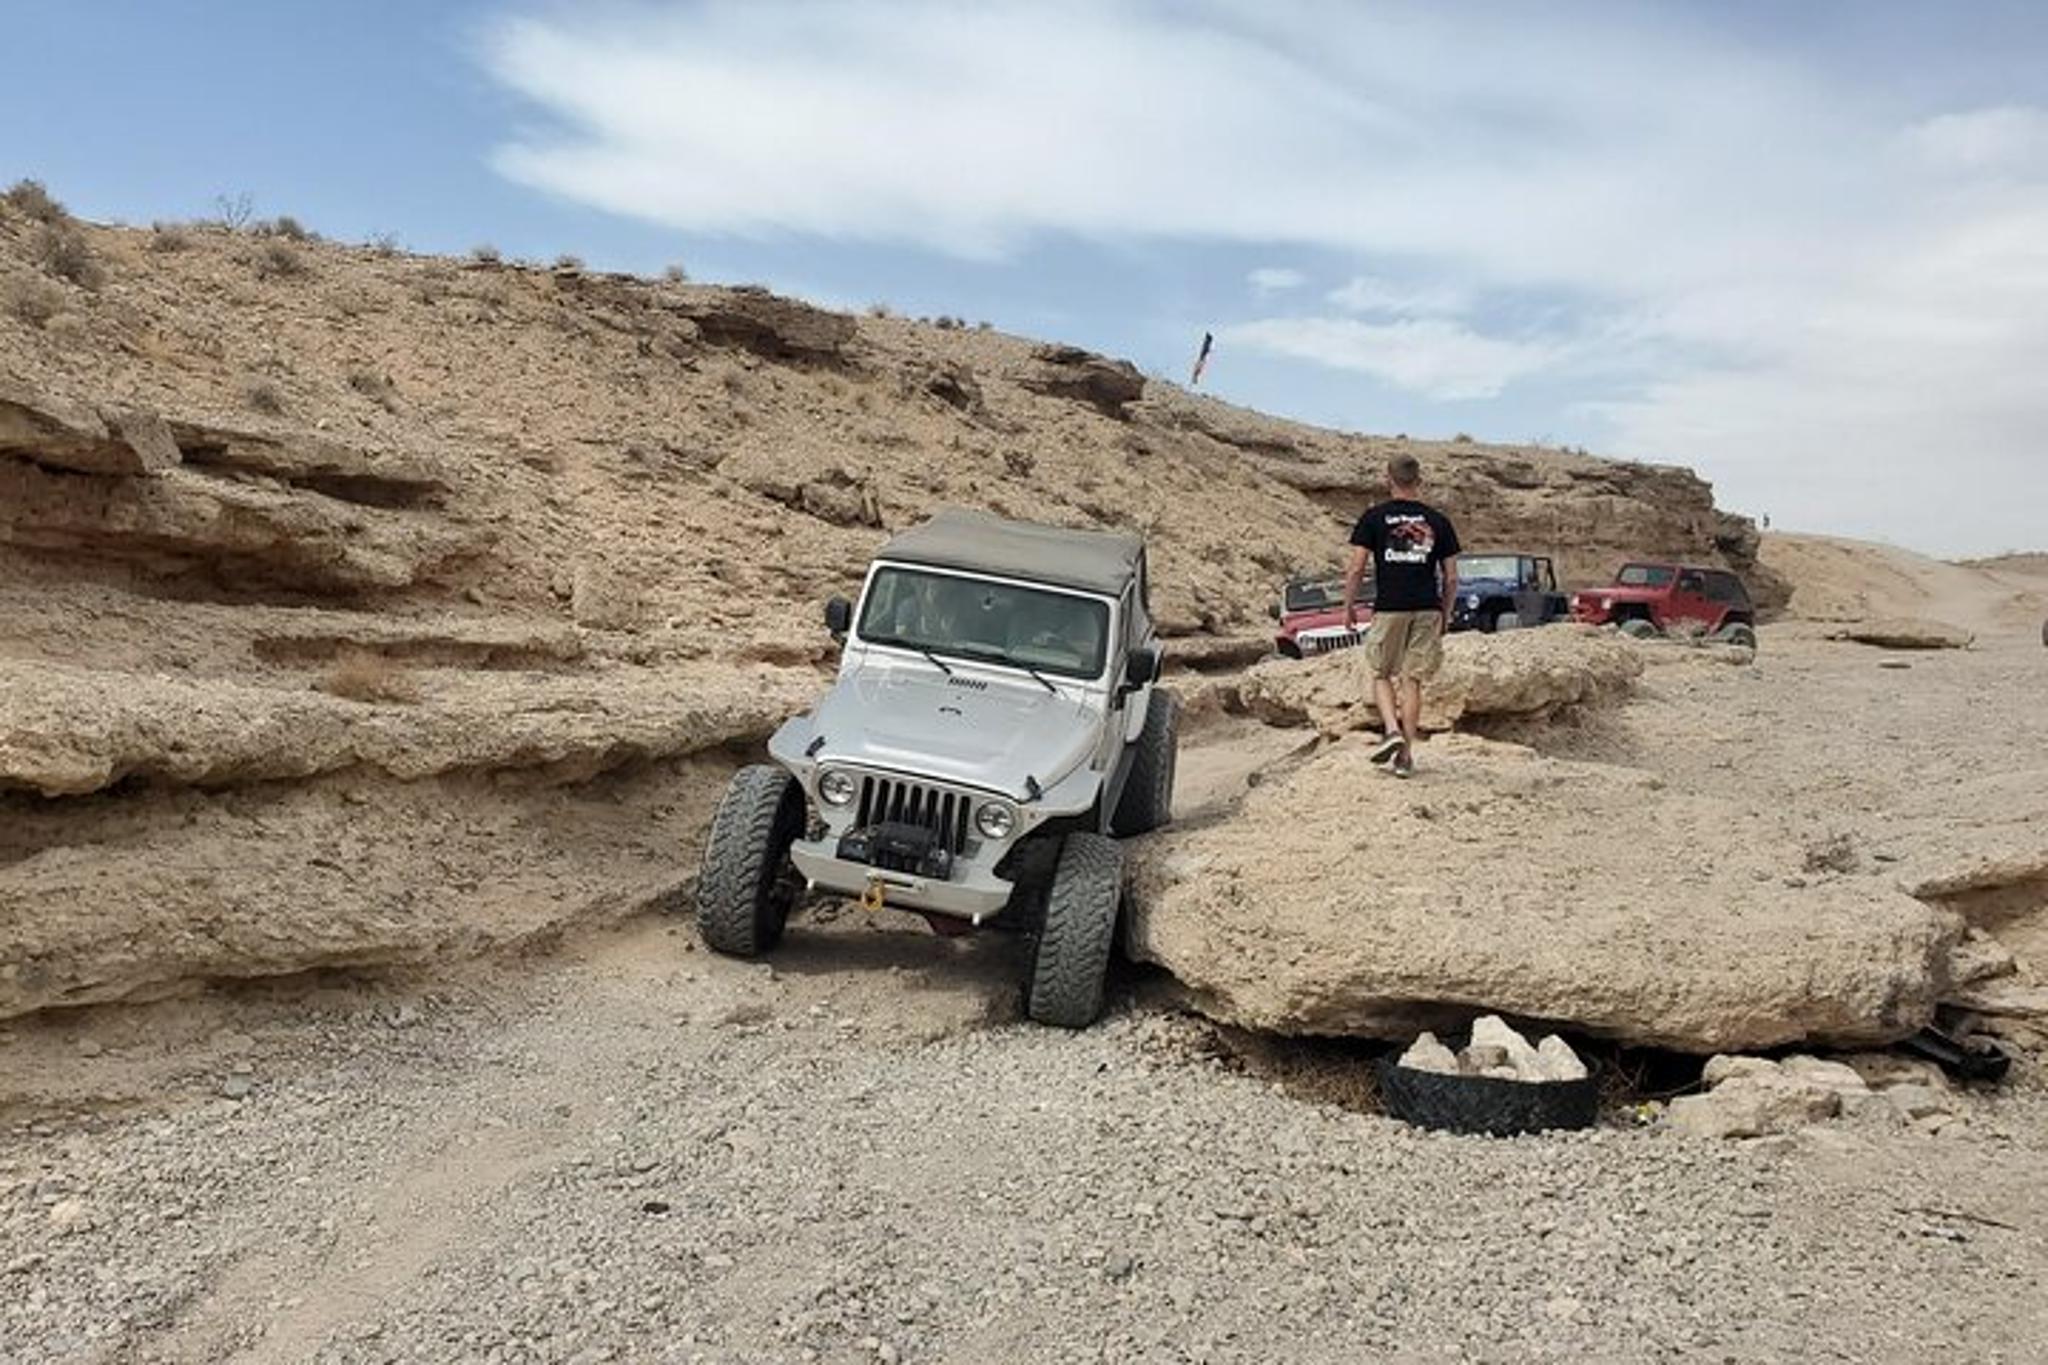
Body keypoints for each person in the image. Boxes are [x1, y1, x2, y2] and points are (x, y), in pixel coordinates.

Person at [1341, 454, 1460, 778]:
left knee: (1380, 673)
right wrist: (1445, 613)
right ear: (1418, 481)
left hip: (1390, 606)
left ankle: (1391, 731)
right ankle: (1405, 757)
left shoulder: (1374, 518)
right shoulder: (1438, 521)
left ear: (1388, 479)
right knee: (1412, 681)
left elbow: (1356, 568)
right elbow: (1450, 577)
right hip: (1427, 607)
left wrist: (1349, 606)